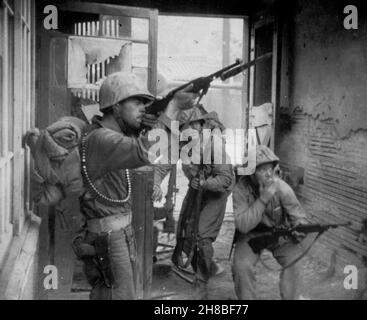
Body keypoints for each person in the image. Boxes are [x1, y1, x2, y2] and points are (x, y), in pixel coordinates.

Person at [72, 71, 197, 300]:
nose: (143, 108)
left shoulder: (113, 137)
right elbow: (145, 151)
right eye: (137, 101)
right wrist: (173, 107)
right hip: (108, 238)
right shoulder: (102, 139)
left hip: (116, 234)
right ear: (116, 106)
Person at [166, 107, 234, 296]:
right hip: (198, 188)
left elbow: (225, 180)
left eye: (191, 126)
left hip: (215, 193)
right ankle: (208, 266)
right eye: (182, 128)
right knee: (186, 231)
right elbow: (166, 163)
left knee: (202, 236)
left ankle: (201, 281)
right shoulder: (184, 146)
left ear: (200, 125)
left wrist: (204, 182)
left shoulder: (214, 146)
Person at [231, 145, 309, 300]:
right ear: (252, 173)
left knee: (295, 262)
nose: (268, 174)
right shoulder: (240, 189)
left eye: (270, 168)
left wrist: (300, 228)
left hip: (278, 233)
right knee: (241, 267)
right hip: (250, 235)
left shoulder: (281, 187)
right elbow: (242, 225)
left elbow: (298, 216)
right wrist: (264, 198)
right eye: (261, 170)